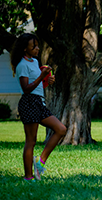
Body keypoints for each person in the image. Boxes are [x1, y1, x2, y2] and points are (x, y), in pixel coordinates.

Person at [10, 33, 67, 182]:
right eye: (33, 46)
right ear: (24, 49)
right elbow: (27, 89)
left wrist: (47, 80)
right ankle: (28, 177)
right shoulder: (22, 65)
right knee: (31, 141)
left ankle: (40, 162)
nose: (37, 48)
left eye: (37, 45)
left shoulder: (34, 61)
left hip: (39, 102)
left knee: (61, 129)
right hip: (29, 102)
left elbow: (38, 85)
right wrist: (42, 77)